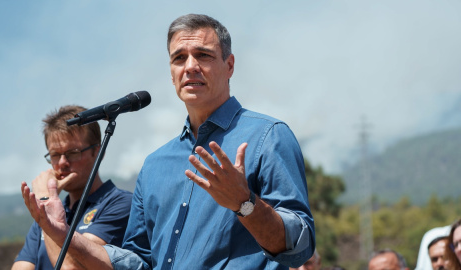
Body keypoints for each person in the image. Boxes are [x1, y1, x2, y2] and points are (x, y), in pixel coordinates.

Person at [20, 13, 315, 269]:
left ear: (230, 65)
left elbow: (300, 245)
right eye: (179, 58)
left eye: (203, 55)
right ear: (171, 75)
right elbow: (137, 262)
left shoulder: (268, 136)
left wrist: (244, 203)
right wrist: (62, 234)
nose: (189, 66)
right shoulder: (154, 165)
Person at [13, 105, 133, 270]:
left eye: (73, 152)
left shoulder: (121, 204)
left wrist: (45, 205)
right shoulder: (48, 211)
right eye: (55, 154)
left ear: (98, 152)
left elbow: (71, 268)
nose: (62, 162)